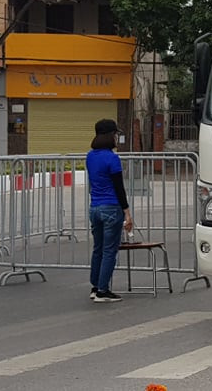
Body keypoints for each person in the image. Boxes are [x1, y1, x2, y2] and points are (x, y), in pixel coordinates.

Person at [86, 119, 132, 303]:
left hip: (95, 207)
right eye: (114, 134)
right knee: (109, 251)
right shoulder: (112, 158)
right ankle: (103, 291)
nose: (116, 137)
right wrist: (127, 211)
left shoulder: (90, 156)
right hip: (111, 207)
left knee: (97, 249)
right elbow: (119, 187)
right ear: (109, 135)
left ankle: (95, 286)